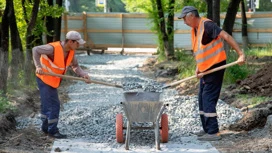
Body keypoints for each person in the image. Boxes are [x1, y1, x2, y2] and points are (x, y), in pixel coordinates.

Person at [178, 6, 246, 141]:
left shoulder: (207, 25)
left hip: (216, 66)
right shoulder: (195, 29)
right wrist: (199, 67)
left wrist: (241, 54)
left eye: (185, 18)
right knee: (202, 98)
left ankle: (213, 132)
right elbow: (201, 51)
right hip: (206, 69)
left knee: (208, 97)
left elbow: (225, 36)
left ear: (191, 16)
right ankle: (207, 129)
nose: (184, 22)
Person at [32, 31, 90, 139]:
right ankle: (52, 131)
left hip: (53, 80)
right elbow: (35, 49)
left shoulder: (71, 52)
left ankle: (45, 128)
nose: (79, 45)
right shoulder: (53, 48)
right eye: (77, 43)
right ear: (71, 41)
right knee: (54, 105)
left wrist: (83, 74)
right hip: (44, 78)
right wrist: (38, 66)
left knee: (46, 104)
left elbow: (75, 66)